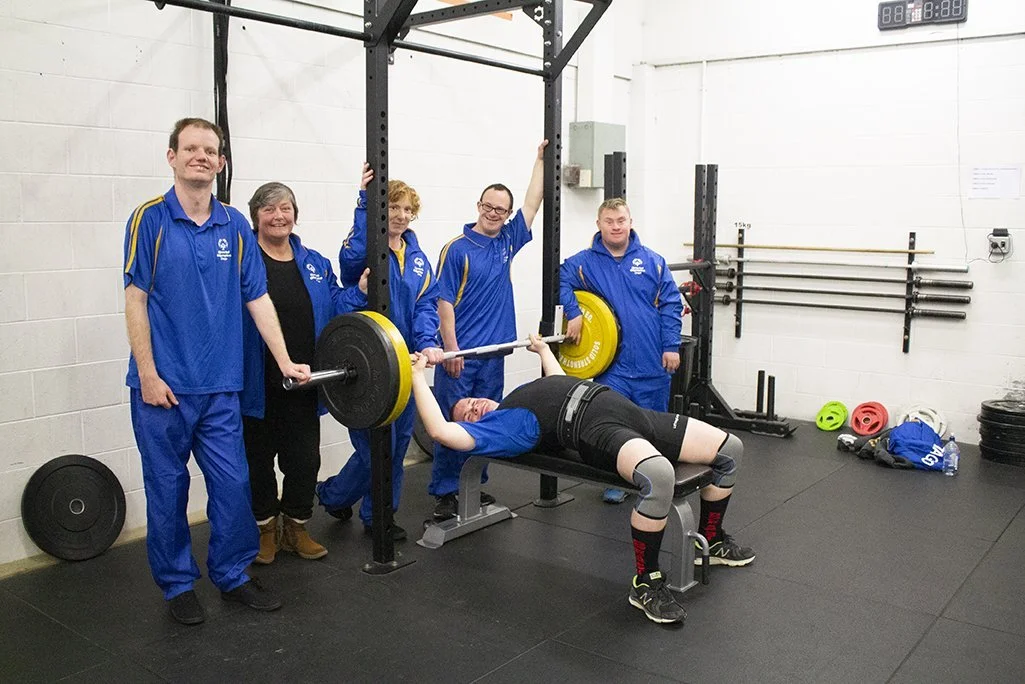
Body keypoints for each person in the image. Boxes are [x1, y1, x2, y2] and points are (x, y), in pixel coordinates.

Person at [411, 335, 754, 624]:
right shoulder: (503, 429)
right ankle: (646, 582)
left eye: (472, 402)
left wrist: (544, 351)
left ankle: (711, 539)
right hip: (598, 430)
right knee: (658, 474)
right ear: (473, 426)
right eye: (469, 415)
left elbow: (562, 384)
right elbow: (440, 430)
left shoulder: (516, 398)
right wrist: (417, 376)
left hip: (630, 411)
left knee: (730, 448)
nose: (475, 407)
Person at [123, 118, 311, 626]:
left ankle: (231, 575)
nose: (201, 157)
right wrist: (147, 373)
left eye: (210, 150)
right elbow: (135, 298)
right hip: (163, 390)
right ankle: (178, 585)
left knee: (232, 488)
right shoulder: (149, 220)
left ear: (221, 163)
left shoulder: (234, 226)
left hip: (223, 387)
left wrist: (284, 359)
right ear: (172, 157)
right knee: (168, 491)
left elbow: (257, 296)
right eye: (191, 149)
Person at [241, 182, 370, 565]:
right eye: (269, 210)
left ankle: (295, 528)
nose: (279, 216)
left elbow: (333, 305)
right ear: (256, 217)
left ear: (295, 214)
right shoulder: (242, 259)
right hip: (256, 382)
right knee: (258, 462)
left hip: (305, 381)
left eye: (285, 209)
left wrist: (359, 290)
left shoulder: (314, 262)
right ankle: (265, 530)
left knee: (303, 461)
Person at [316, 166, 445, 541]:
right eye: (393, 207)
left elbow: (426, 302)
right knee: (375, 449)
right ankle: (336, 495)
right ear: (381, 210)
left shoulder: (417, 257)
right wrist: (363, 201)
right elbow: (352, 254)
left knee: (397, 444)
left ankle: (377, 516)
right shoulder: (366, 250)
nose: (401, 215)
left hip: (404, 365)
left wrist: (425, 342)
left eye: (408, 209)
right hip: (368, 364)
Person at [428, 141, 548, 521]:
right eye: (488, 206)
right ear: (478, 207)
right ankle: (447, 492)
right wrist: (451, 350)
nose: (494, 213)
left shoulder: (507, 241)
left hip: (495, 353)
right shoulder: (457, 248)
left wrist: (541, 161)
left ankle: (473, 485)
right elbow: (443, 302)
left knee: (486, 423)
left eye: (501, 209)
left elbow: (533, 201)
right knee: (454, 421)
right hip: (461, 357)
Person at [560, 198, 684, 504]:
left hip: (651, 360)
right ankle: (617, 480)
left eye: (621, 221)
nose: (616, 227)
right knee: (614, 426)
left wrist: (671, 346)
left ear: (630, 222)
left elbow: (671, 304)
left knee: (654, 425)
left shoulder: (653, 261)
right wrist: (573, 312)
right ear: (599, 224)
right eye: (609, 221)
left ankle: (654, 482)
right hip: (611, 366)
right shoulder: (582, 263)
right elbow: (560, 281)